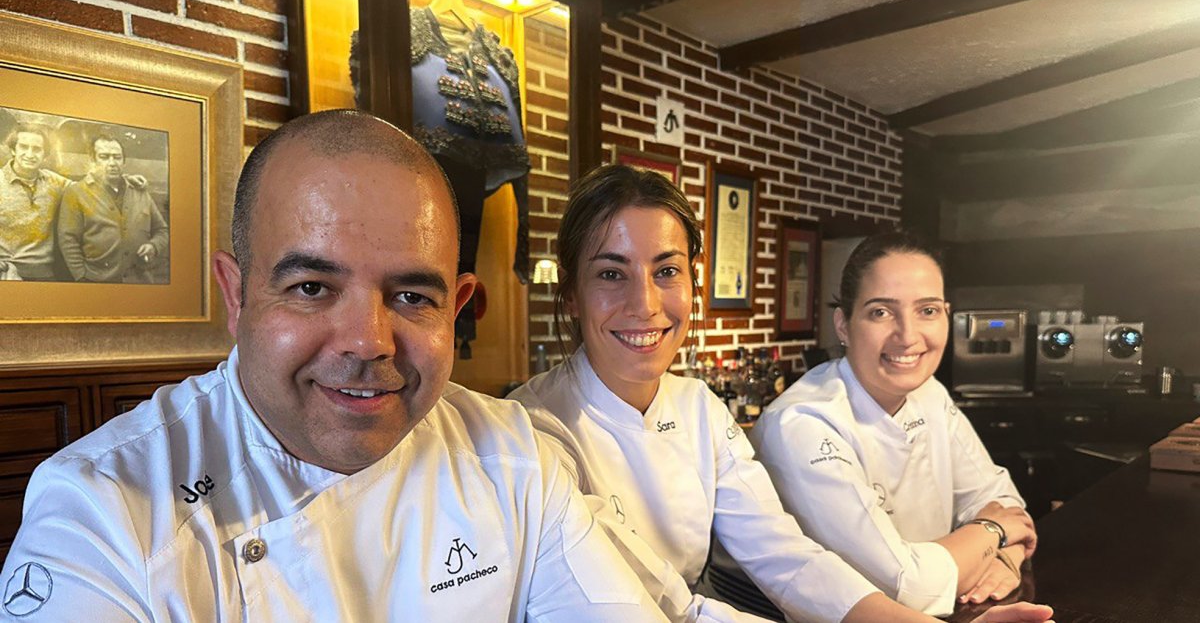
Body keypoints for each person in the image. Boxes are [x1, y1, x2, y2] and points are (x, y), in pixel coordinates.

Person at [0, 110, 667, 621]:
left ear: (456, 307)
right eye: (312, 287)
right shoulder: (99, 514)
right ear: (236, 295)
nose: (368, 341)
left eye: (412, 296)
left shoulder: (515, 455)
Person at [511, 166, 1053, 623]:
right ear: (571, 296)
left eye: (667, 271)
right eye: (612, 273)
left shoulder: (697, 406)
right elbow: (660, 605)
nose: (645, 303)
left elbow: (785, 554)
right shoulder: (531, 428)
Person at [751, 232, 1037, 617]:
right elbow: (903, 588)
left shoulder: (929, 393)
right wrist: (995, 533)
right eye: (880, 312)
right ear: (843, 324)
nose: (907, 336)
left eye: (928, 310)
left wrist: (1005, 558)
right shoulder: (802, 423)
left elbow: (1006, 502)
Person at [57, 134, 168, 283]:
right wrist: (81, 275)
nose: (112, 163)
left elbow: (162, 230)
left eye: (117, 157)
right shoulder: (76, 193)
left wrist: (153, 246)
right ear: (92, 160)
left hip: (139, 280)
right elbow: (68, 239)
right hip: (97, 281)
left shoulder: (139, 190)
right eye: (104, 157)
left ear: (123, 161)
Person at [0, 123, 70, 281]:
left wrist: (126, 181)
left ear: (45, 154)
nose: (30, 154)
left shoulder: (54, 182)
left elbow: (89, 189)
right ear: (13, 149)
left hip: (44, 275)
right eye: (24, 147)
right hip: (5, 273)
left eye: (37, 149)